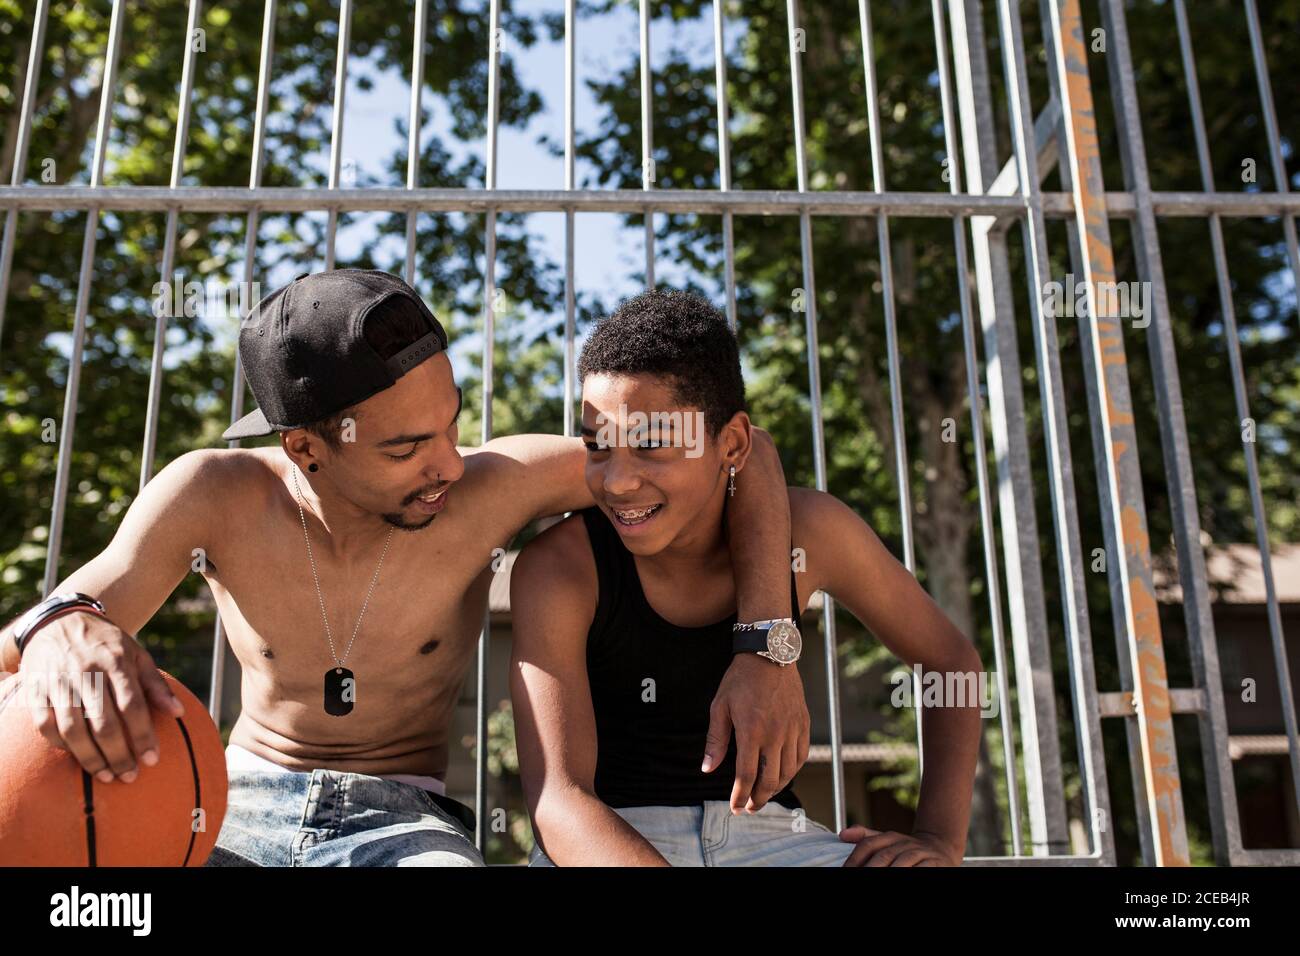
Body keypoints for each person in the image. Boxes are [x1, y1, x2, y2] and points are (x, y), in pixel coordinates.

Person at [0, 270, 809, 867]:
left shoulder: (493, 487)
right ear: (306, 448)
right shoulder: (214, 494)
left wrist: (764, 645)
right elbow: (46, 629)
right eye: (405, 448)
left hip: (407, 823)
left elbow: (747, 452)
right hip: (227, 806)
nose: (449, 466)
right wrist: (59, 629)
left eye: (450, 426)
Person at [509, 288, 983, 866]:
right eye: (596, 447)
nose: (617, 482)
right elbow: (560, 800)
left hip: (776, 841)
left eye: (652, 446)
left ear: (730, 442)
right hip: (604, 845)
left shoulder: (811, 531)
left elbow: (951, 663)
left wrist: (938, 839)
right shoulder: (559, 568)